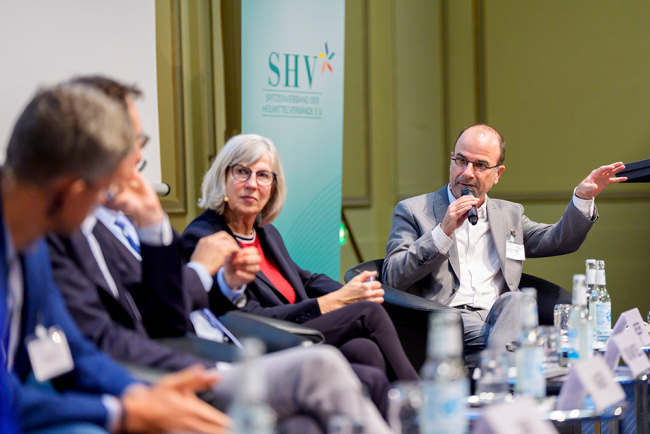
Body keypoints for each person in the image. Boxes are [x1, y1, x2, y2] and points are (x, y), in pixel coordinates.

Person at [2, 83, 392, 434]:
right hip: (150, 368)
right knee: (321, 367)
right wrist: (121, 408)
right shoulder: (60, 239)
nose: (136, 160)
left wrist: (140, 394)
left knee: (306, 417)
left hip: (164, 364)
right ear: (72, 191)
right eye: (130, 145)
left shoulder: (33, 246)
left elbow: (81, 346)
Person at [181, 133, 419, 382]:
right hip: (264, 339)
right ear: (223, 178)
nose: (252, 184)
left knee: (364, 350)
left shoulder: (265, 232)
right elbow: (242, 317)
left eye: (263, 175)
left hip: (299, 327)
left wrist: (351, 292)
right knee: (369, 313)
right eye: (242, 172)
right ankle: (422, 397)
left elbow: (304, 280)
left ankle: (379, 407)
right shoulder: (204, 238)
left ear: (273, 188)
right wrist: (334, 302)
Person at [382, 124, 626, 361]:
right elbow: (392, 277)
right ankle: (514, 366)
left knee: (518, 300)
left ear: (497, 174)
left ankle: (502, 371)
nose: (467, 173)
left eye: (480, 165)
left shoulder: (509, 215)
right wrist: (442, 232)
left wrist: (582, 198)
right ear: (451, 161)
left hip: (502, 316)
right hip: (447, 318)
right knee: (532, 344)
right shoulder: (414, 211)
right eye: (461, 160)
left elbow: (558, 240)